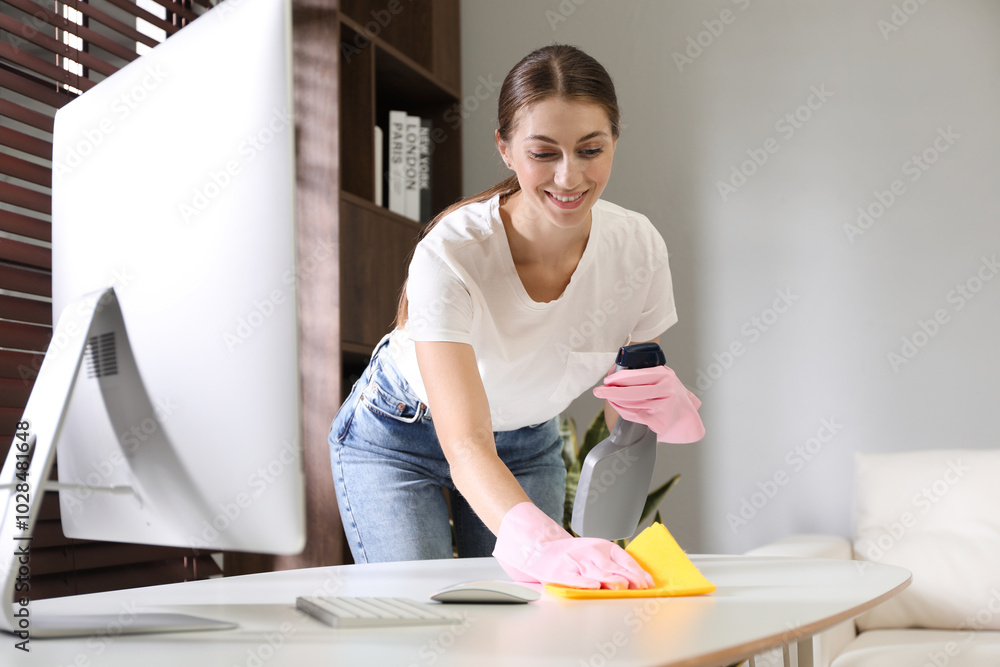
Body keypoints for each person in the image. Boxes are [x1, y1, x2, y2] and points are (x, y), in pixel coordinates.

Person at [328, 44, 704, 590]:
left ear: (615, 142)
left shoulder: (638, 250)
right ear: (505, 149)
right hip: (400, 436)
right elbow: (466, 444)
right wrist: (546, 543)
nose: (569, 176)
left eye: (591, 149)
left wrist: (660, 411)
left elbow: (636, 395)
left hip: (527, 441)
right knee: (427, 613)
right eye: (544, 153)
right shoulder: (453, 253)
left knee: (524, 627)